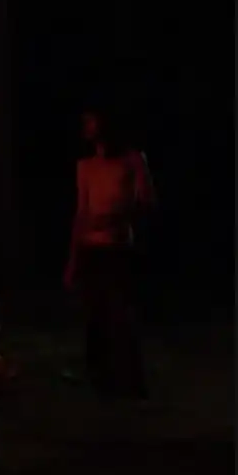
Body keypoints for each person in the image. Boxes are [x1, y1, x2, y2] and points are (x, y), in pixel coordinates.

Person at [64, 109, 156, 398]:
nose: (88, 127)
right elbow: (81, 214)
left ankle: (130, 383)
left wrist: (115, 217)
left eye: (93, 121)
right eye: (86, 123)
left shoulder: (133, 161)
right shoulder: (85, 167)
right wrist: (73, 261)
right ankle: (100, 382)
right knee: (94, 317)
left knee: (121, 316)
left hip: (117, 249)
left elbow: (147, 202)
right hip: (91, 249)